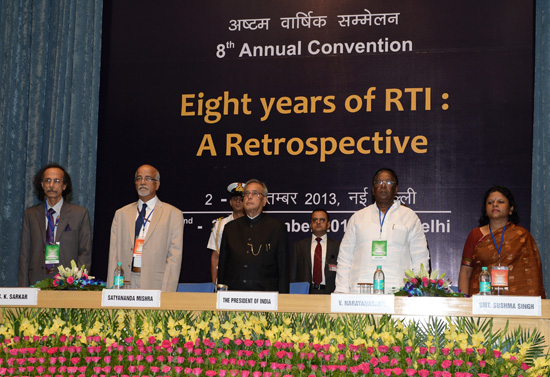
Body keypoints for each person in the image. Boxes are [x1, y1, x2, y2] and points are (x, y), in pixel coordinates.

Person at [335, 168, 430, 293]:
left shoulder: (410, 217)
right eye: (379, 182)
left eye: (389, 183)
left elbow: (420, 258)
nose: (383, 186)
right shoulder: (358, 217)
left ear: (396, 190)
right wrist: (341, 291)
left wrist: (418, 292)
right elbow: (345, 257)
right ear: (373, 189)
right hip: (360, 292)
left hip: (399, 292)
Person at [106, 164, 184, 292]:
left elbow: (174, 258)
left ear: (157, 184)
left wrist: (168, 292)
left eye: (148, 178)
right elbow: (113, 254)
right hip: (125, 283)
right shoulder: (121, 214)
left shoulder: (173, 214)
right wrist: (112, 289)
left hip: (156, 284)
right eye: (139, 178)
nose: (142, 182)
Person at [458, 186, 545, 297]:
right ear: (485, 210)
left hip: (515, 304)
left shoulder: (522, 236)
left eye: (500, 202)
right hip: (481, 301)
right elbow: (465, 272)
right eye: (490, 202)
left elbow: (532, 275)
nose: (495, 204)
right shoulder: (475, 235)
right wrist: (465, 304)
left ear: (511, 209)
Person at [18, 163, 92, 287]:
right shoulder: (30, 214)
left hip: (68, 283)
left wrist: (77, 283)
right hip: (36, 281)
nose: (51, 185)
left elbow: (85, 252)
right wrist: (23, 288)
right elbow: (24, 254)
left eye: (57, 181)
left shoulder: (79, 213)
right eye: (47, 181)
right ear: (42, 185)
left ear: (64, 186)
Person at [217, 179, 289, 293]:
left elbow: (283, 269)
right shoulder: (230, 228)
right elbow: (222, 267)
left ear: (264, 201)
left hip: (266, 295)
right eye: (246, 194)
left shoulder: (277, 228)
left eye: (255, 193)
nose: (249, 197)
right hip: (234, 294)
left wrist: (283, 299)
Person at [290, 208, 340, 294]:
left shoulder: (337, 246)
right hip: (306, 293)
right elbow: (293, 276)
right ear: (310, 224)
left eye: (322, 220)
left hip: (330, 293)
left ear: (328, 225)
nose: (318, 222)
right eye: (315, 220)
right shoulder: (299, 246)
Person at [207, 182, 245, 283]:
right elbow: (215, 256)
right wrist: (215, 284)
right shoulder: (220, 225)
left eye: (241, 199)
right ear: (230, 202)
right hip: (226, 278)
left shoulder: (254, 224)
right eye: (235, 199)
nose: (238, 202)